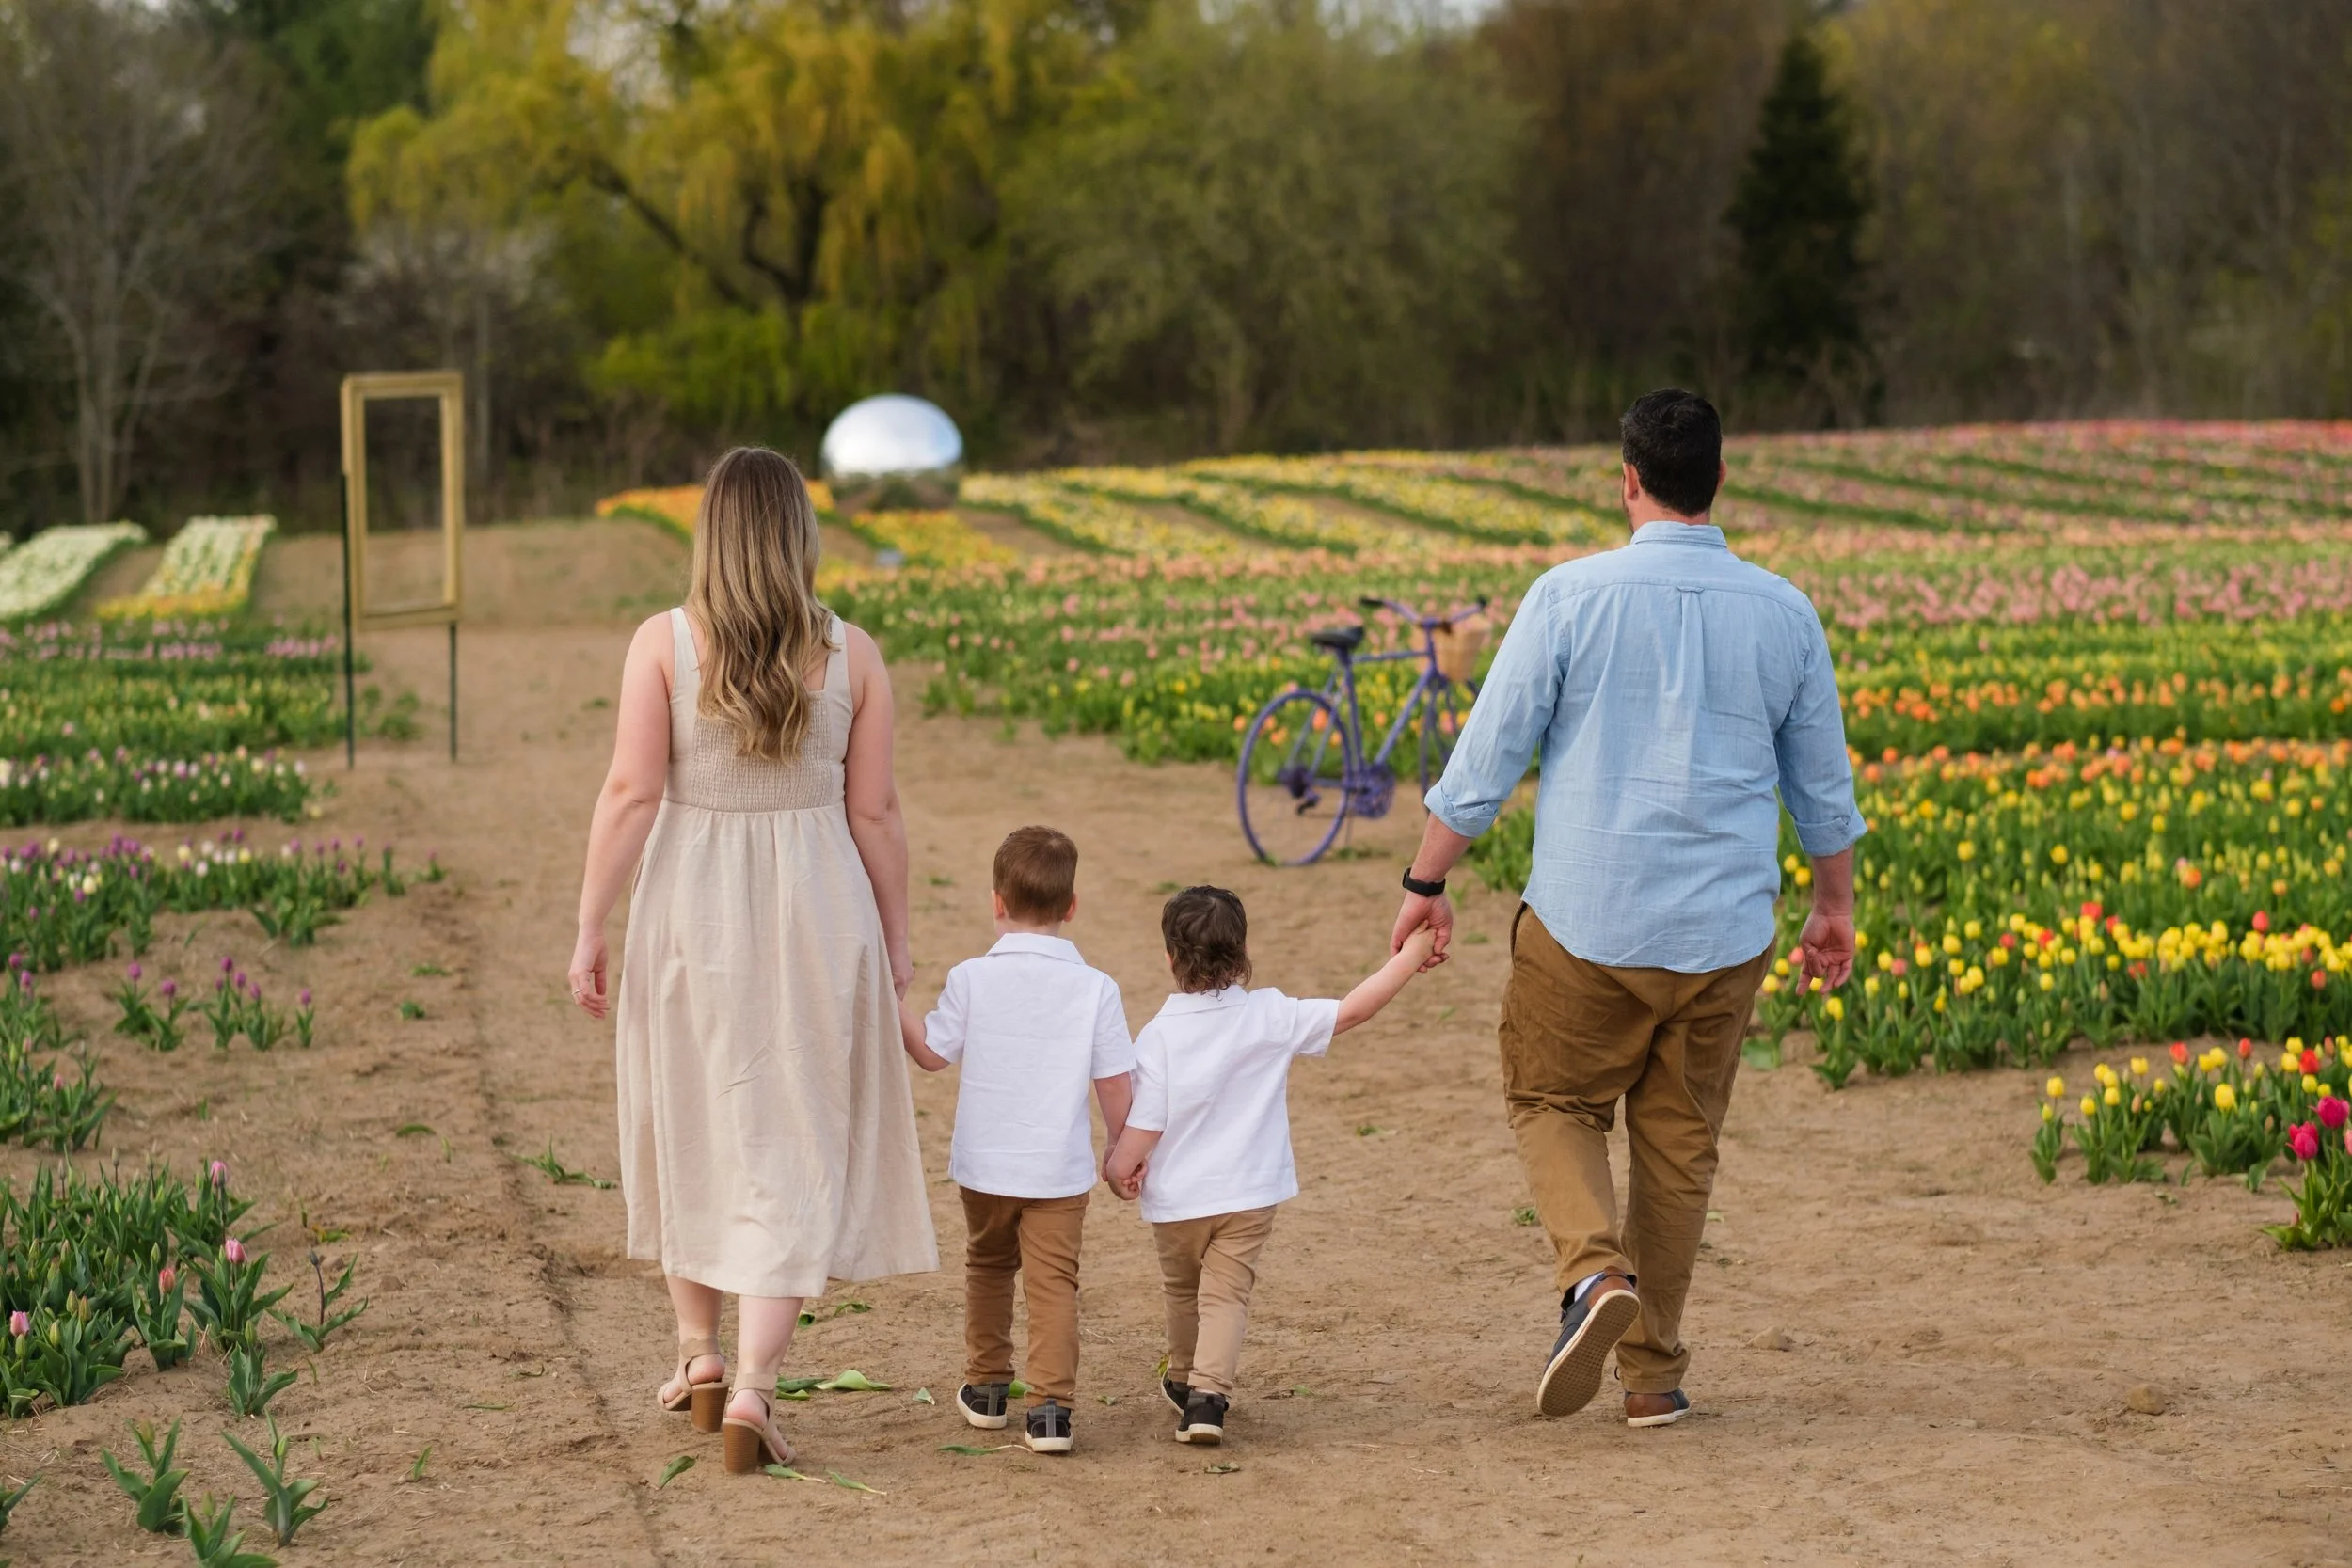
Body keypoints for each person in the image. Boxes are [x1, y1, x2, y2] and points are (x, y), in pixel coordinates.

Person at [1391, 389, 1862, 1429]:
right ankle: (1651, 1375)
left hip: (1585, 920)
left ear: (1628, 482)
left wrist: (1425, 881)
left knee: (1552, 1101)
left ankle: (1593, 1272)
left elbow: (1485, 762)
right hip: (1721, 933)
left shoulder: (1567, 597)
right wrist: (1834, 904)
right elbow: (1821, 787)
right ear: (1720, 482)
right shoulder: (1782, 609)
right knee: (1678, 1147)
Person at [568, 446, 936, 1476]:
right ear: (800, 536)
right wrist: (899, 940)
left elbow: (630, 794)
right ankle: (755, 1388)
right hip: (820, 908)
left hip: (692, 908)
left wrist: (590, 922)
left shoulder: (661, 643)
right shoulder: (853, 652)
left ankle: (698, 1356)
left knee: (694, 1115)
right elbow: (876, 811)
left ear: (710, 534)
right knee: (793, 1140)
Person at [1104, 886, 1437, 1447]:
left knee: (1184, 1292)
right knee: (1226, 1295)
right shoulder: (1270, 1014)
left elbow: (1147, 1123)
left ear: (1169, 958)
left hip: (1180, 1201)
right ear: (1242, 952)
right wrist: (1412, 952)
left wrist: (1121, 1167)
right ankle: (1208, 1399)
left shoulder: (1158, 1037)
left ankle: (1185, 1379)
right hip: (1249, 1195)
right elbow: (1354, 1008)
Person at [898, 825, 1135, 1455]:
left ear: (997, 901)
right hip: (1057, 1168)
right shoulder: (1097, 988)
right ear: (1072, 906)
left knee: (989, 1266)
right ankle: (1051, 1410)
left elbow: (930, 1052)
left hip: (985, 1166)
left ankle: (987, 1387)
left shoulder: (971, 978)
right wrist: (1120, 1148)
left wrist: (895, 998)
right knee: (1055, 1283)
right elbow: (1114, 1082)